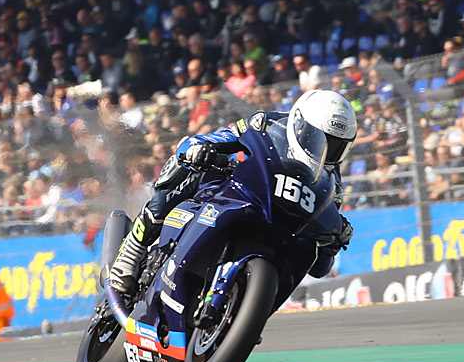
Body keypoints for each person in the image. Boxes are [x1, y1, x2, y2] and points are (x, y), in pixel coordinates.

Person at [108, 89, 357, 295]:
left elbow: (320, 266)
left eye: (336, 146)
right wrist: (200, 149)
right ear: (300, 124)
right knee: (186, 167)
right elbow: (219, 138)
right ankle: (133, 249)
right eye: (319, 139)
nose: (325, 150)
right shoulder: (266, 123)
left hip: (276, 227)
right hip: (238, 189)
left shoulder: (332, 184)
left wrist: (335, 239)